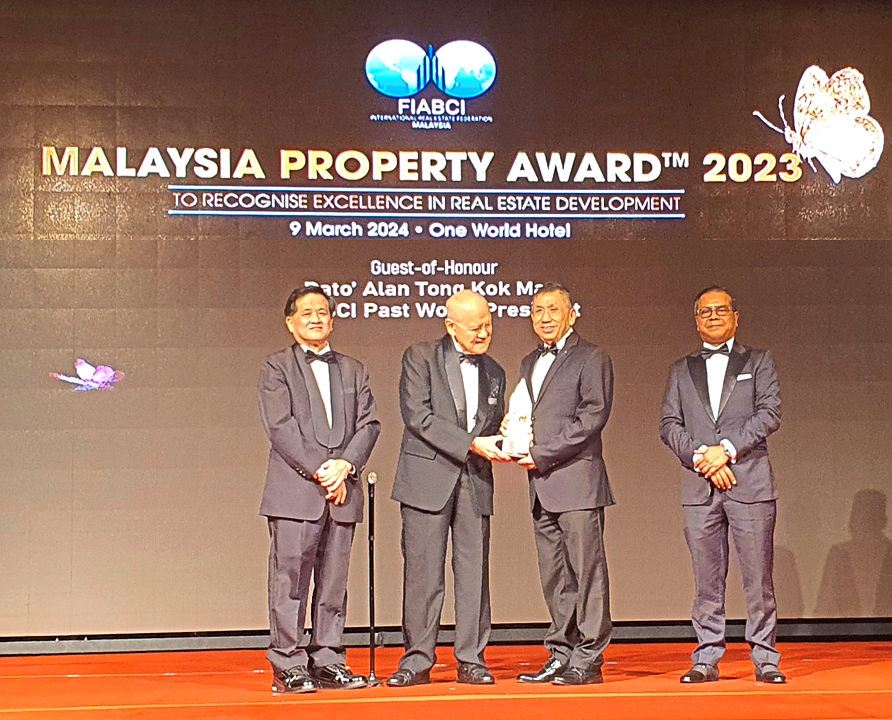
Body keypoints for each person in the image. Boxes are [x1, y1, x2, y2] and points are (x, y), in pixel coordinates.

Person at [257, 287, 381, 693]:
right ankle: (288, 662)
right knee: (290, 582)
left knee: (333, 585)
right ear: (290, 322)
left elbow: (369, 424)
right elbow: (280, 427)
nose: (315, 318)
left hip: (343, 491)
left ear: (332, 320)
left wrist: (345, 466)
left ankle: (328, 658)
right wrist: (322, 471)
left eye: (322, 312)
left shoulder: (353, 369)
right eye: (306, 312)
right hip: (296, 493)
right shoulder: (277, 366)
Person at [660, 285, 785, 684]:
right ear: (696, 321)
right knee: (706, 581)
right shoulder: (681, 369)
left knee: (758, 580)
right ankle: (706, 657)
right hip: (700, 488)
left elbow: (770, 413)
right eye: (705, 311)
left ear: (735, 317)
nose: (713, 316)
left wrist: (726, 451)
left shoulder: (759, 361)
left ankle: (765, 658)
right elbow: (669, 425)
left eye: (721, 310)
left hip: (750, 485)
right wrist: (703, 457)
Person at [387, 290, 509, 687]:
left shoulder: (495, 371)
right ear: (451, 325)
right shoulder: (420, 357)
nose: (483, 332)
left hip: (475, 480)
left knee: (474, 575)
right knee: (423, 575)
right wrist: (471, 443)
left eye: (488, 324)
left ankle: (472, 658)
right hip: (427, 480)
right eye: (475, 327)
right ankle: (417, 660)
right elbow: (417, 416)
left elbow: (491, 426)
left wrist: (508, 435)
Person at [511, 283, 615, 686]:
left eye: (553, 309)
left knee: (587, 574)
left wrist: (541, 453)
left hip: (577, 483)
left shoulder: (591, 357)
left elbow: (592, 418)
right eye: (538, 310)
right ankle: (561, 652)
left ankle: (588, 658)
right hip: (541, 485)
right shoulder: (528, 361)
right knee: (555, 577)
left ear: (572, 313)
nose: (545, 317)